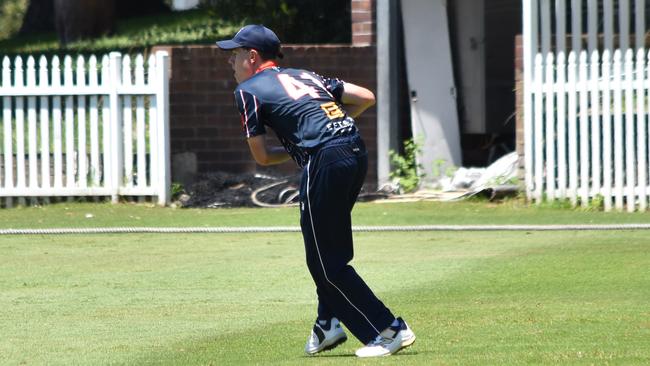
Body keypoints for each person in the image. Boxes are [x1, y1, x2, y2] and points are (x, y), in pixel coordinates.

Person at [216, 24, 416, 358]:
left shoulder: (248, 90)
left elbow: (262, 156)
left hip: (325, 160)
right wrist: (331, 131)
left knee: (325, 262)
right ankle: (328, 323)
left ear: (252, 57)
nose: (231, 63)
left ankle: (387, 329)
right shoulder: (305, 75)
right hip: (354, 150)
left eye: (234, 55)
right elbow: (366, 97)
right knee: (330, 250)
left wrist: (305, 146)